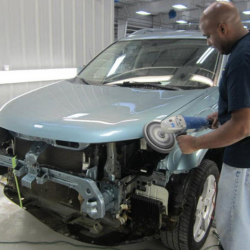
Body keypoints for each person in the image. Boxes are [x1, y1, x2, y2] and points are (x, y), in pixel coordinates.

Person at [177, 2, 250, 250]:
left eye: (208, 36)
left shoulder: (241, 59)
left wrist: (195, 143)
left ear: (222, 28)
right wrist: (227, 112)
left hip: (243, 161)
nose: (208, 42)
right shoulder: (245, 49)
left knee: (233, 226)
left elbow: (242, 127)